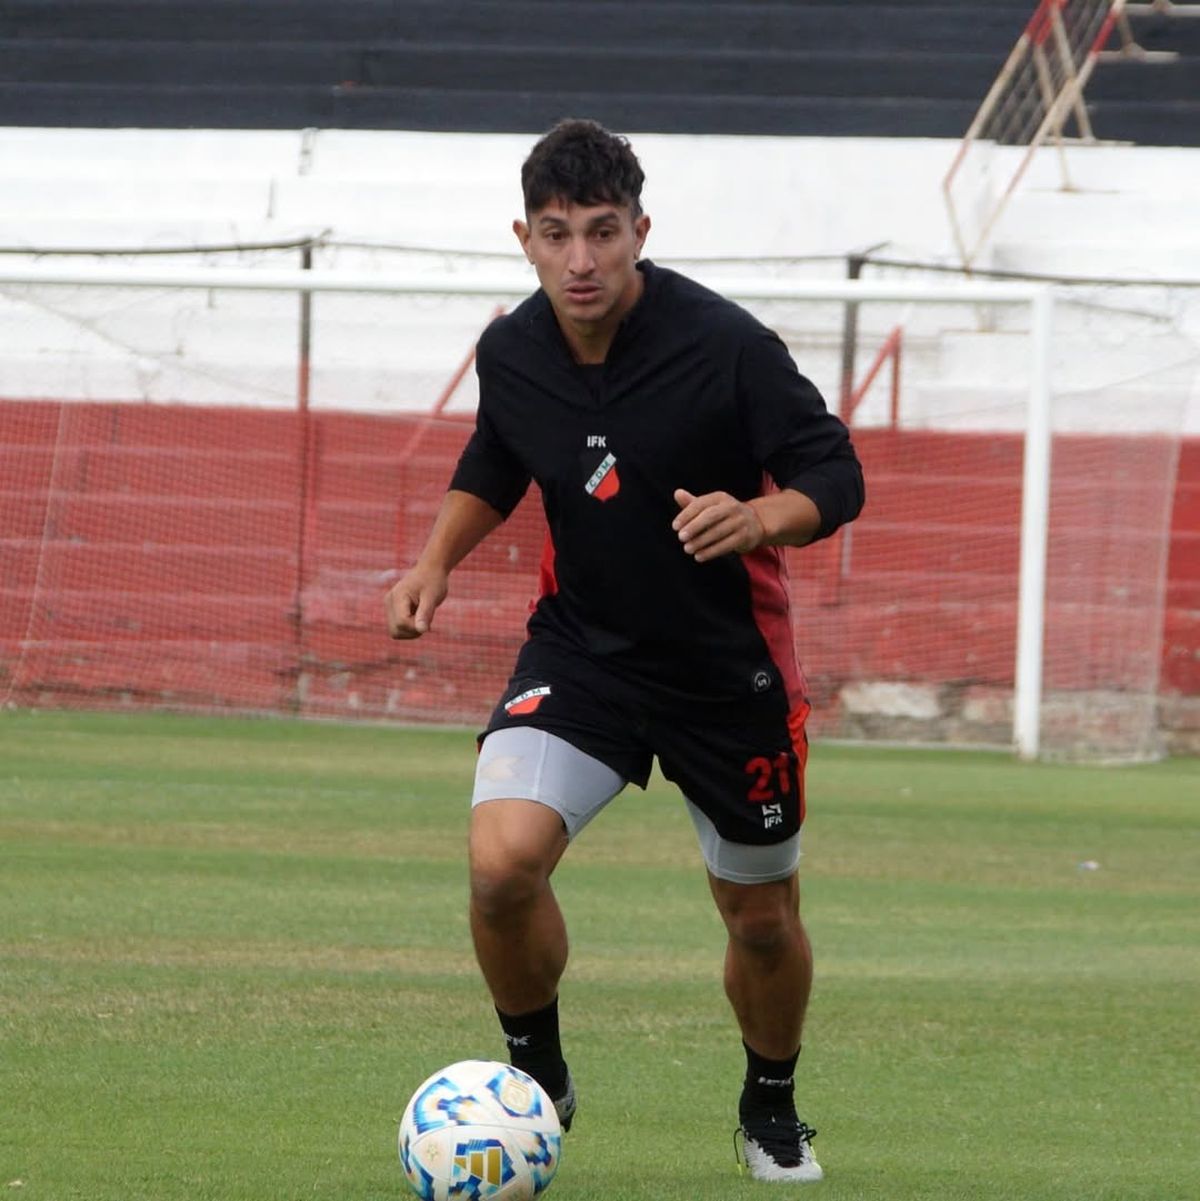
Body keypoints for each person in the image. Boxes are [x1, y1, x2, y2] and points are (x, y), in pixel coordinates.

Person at [386, 118, 864, 1184]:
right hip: (585, 655)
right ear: (524, 237)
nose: (582, 260)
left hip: (723, 672)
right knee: (499, 864)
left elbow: (837, 474)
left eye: (604, 232)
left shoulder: (727, 346)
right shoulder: (513, 348)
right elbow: (499, 452)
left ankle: (771, 1104)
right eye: (557, 234)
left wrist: (761, 516)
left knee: (761, 920)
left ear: (642, 229)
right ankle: (538, 1081)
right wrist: (435, 562)